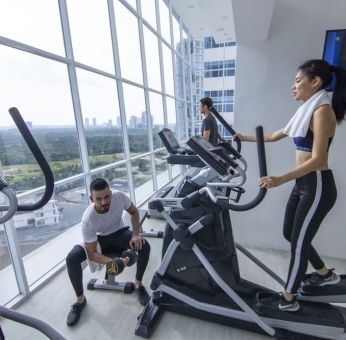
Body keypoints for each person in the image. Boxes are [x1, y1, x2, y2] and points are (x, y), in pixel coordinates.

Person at [235, 59, 346, 312]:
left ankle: (288, 299)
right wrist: (243, 137)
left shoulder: (322, 111)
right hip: (304, 184)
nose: (293, 86)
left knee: (298, 243)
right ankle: (324, 273)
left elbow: (319, 159)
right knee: (290, 233)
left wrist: (279, 179)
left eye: (297, 81)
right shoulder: (306, 109)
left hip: (317, 185)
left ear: (315, 82)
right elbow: (274, 135)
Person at [65, 178, 151, 326]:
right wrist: (113, 263)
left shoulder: (119, 197)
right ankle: (80, 300)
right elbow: (92, 252)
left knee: (144, 245)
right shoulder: (88, 218)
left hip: (120, 233)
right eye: (98, 199)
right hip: (99, 241)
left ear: (111, 193)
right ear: (92, 199)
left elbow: (134, 212)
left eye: (106, 197)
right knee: (72, 258)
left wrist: (136, 234)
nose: (104, 202)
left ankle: (138, 284)